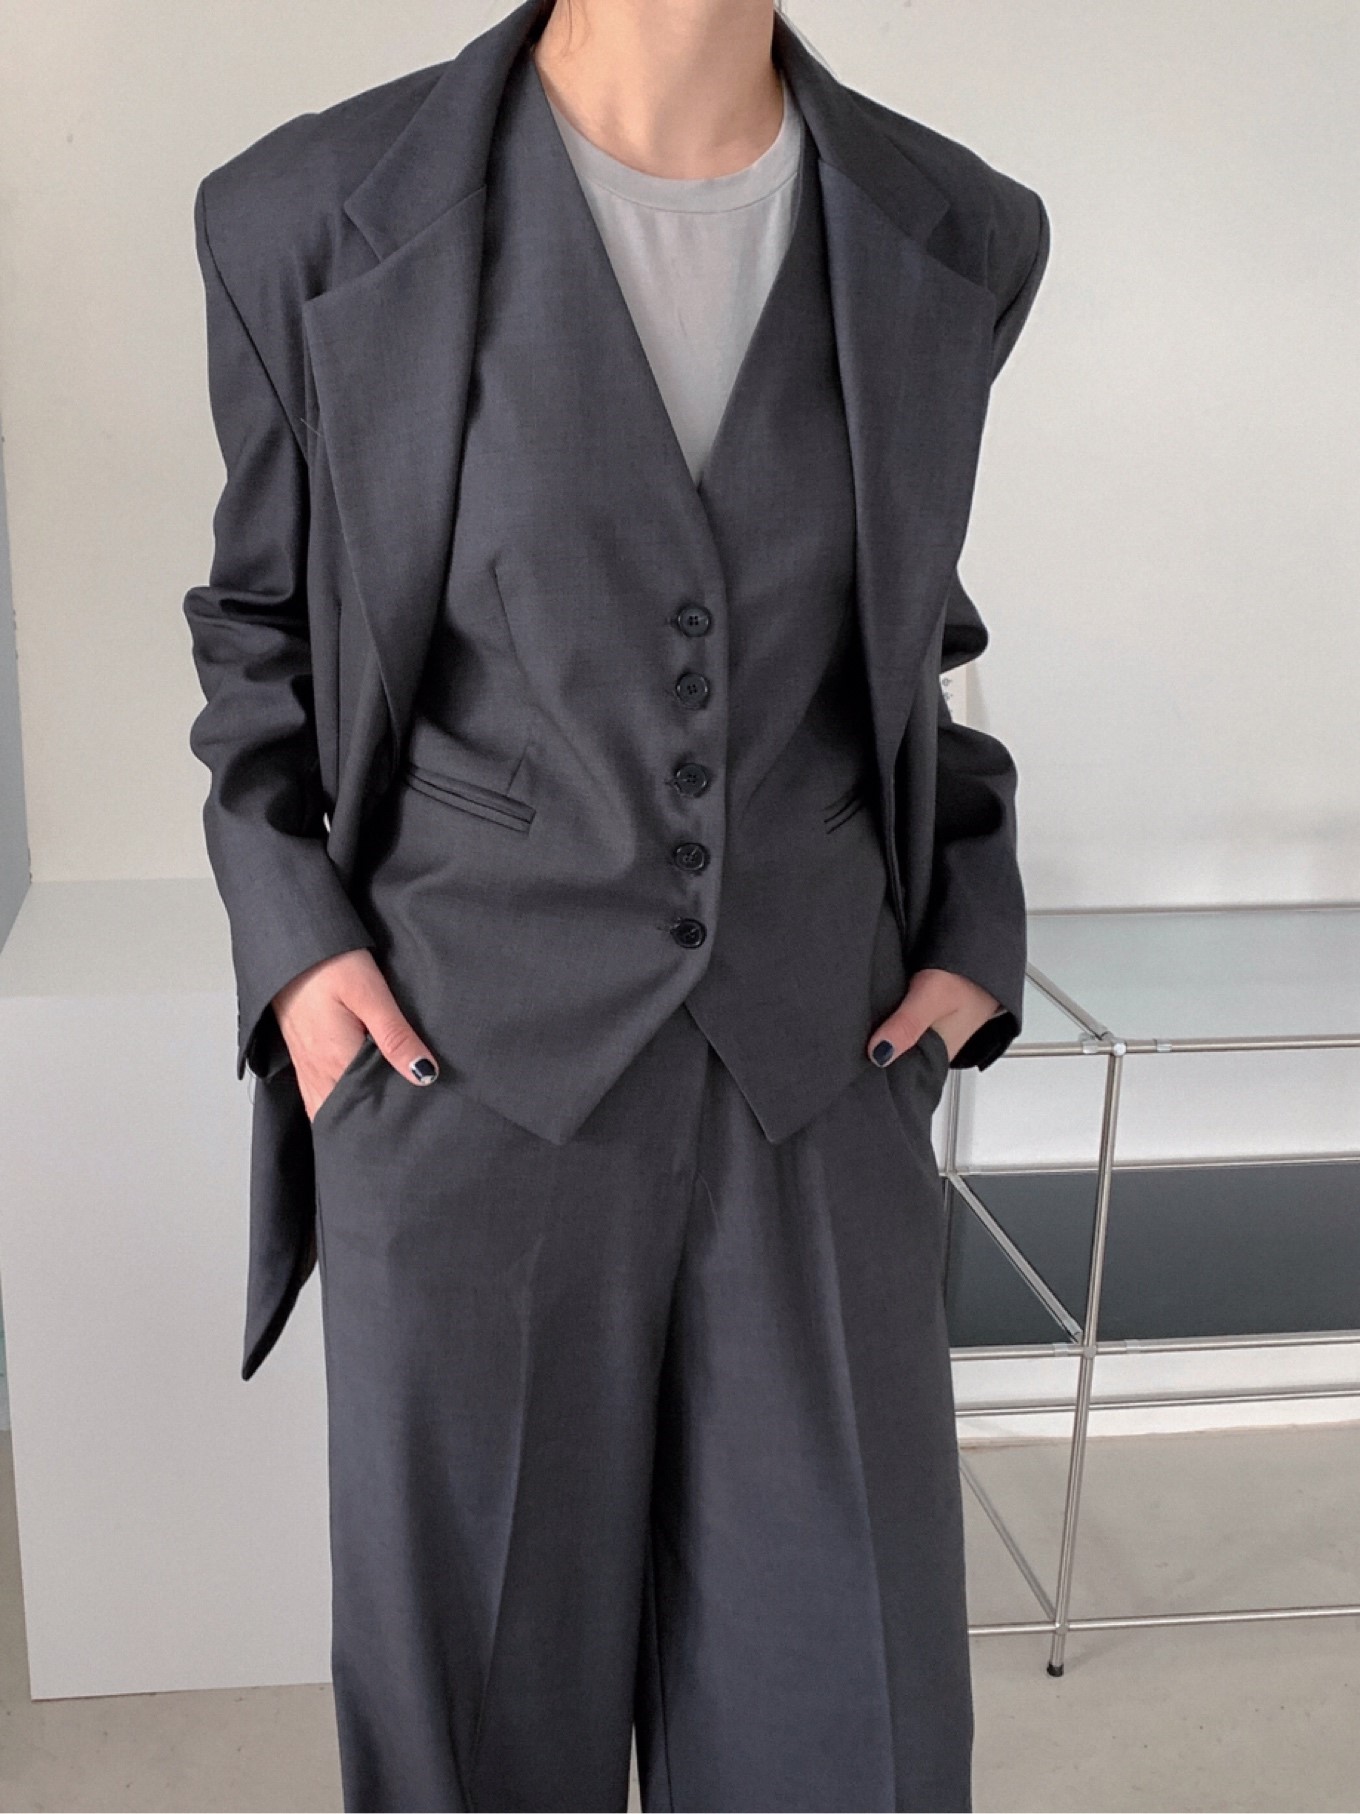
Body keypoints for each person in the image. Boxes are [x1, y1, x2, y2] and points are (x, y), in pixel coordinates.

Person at [182, 0, 1050, 1807]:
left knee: (850, 1718)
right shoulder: (309, 216)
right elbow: (259, 630)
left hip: (822, 1062)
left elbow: (916, 634)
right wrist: (300, 951)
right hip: (461, 1067)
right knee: (477, 1730)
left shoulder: (958, 229)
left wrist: (975, 923)